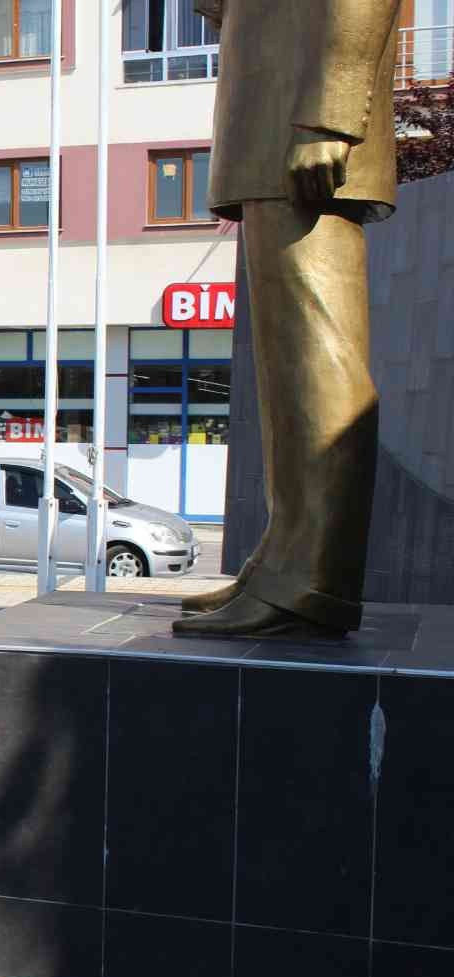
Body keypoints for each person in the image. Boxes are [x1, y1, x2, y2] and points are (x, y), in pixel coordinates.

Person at [176, 0, 398, 638]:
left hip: (301, 122)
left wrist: (331, 113)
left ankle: (310, 581)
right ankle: (282, 563)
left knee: (317, 354)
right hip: (273, 123)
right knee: (287, 369)